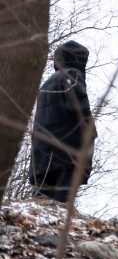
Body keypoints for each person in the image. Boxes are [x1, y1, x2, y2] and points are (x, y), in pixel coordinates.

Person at [31, 40, 95, 202]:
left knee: (40, 206)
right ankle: (60, 228)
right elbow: (80, 108)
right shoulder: (73, 75)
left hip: (41, 154)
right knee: (62, 205)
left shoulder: (46, 84)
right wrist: (91, 133)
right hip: (66, 153)